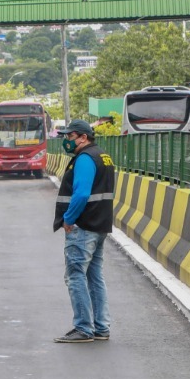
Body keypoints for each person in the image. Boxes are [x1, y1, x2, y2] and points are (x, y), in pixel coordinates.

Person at [53, 119, 117, 344]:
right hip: (99, 225)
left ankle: (83, 328)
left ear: (83, 137)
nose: (67, 141)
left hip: (83, 226)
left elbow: (81, 193)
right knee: (94, 276)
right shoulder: (103, 156)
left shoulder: (85, 158)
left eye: (70, 137)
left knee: (75, 275)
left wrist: (68, 219)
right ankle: (101, 327)